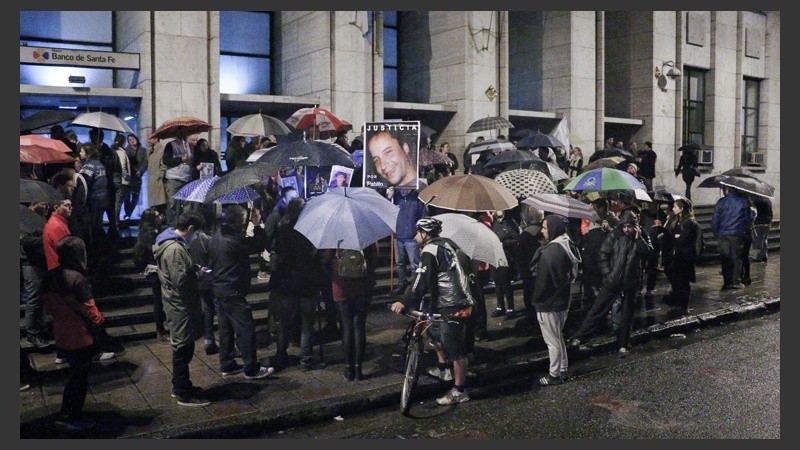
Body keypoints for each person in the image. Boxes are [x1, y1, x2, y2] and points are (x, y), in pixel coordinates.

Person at [390, 217, 475, 405]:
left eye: (418, 232)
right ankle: (443, 369)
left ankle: (459, 390)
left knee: (455, 350)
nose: (415, 236)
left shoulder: (430, 250)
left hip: (452, 304)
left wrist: (404, 301)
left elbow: (421, 281)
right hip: (449, 300)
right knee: (433, 331)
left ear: (425, 233)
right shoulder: (446, 244)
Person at [41, 236, 110, 433]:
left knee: (75, 374)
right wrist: (99, 323)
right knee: (79, 378)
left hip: (62, 331)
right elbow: (89, 308)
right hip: (80, 334)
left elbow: (47, 306)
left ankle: (69, 414)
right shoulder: (77, 278)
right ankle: (70, 416)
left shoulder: (50, 276)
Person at [569, 211, 652, 357]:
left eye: (630, 226)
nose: (627, 230)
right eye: (624, 226)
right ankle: (579, 337)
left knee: (626, 314)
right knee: (598, 309)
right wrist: (608, 274)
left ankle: (623, 344)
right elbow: (603, 255)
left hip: (630, 282)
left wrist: (639, 239)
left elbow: (648, 253)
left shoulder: (642, 236)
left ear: (635, 226)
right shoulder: (614, 235)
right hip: (612, 281)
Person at [208, 205, 275, 379]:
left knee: (225, 329)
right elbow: (258, 244)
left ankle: (227, 364)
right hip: (232, 290)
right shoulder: (233, 241)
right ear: (238, 220)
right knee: (245, 329)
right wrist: (257, 224)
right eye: (244, 218)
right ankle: (251, 368)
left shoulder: (218, 235)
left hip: (220, 288)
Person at [152, 211, 211, 406]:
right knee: (183, 348)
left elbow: (179, 272)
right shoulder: (175, 249)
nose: (196, 237)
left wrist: (193, 268)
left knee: (184, 346)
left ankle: (181, 384)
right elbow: (181, 281)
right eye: (196, 233)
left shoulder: (171, 243)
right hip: (180, 305)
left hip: (178, 303)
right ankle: (182, 392)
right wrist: (197, 276)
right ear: (191, 228)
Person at [267, 198, 327, 371]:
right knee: (307, 323)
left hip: (287, 283)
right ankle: (306, 359)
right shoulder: (311, 231)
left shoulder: (283, 231)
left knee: (285, 322)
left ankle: (281, 354)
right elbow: (316, 257)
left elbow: (277, 255)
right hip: (307, 283)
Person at [530, 214, 581, 386]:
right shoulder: (567, 245)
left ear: (553, 229)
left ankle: (554, 375)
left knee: (552, 341)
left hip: (548, 303)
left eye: (545, 227)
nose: (542, 231)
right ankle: (563, 368)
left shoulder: (549, 252)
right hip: (563, 300)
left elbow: (542, 282)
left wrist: (536, 300)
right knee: (558, 336)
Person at [323, 243, 378, 381]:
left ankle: (349, 369)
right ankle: (358, 369)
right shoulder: (366, 237)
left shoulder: (337, 236)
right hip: (363, 285)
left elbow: (327, 258)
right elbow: (374, 259)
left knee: (346, 326)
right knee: (359, 326)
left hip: (341, 285)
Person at [132, 208, 170, 342]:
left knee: (159, 300)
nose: (160, 217)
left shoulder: (147, 231)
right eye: (157, 216)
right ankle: (160, 330)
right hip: (154, 271)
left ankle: (162, 328)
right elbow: (152, 250)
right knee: (158, 300)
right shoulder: (149, 233)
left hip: (154, 269)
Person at [21, 201, 51, 349]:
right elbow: (24, 240)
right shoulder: (25, 218)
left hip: (41, 261)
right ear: (35, 203)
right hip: (31, 263)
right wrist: (46, 239)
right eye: (44, 204)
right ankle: (32, 334)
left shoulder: (40, 218)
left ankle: (40, 328)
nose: (47, 207)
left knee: (40, 298)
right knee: (34, 299)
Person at [711, 186, 753, 290]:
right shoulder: (743, 202)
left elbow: (715, 219)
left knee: (725, 259)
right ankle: (735, 282)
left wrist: (717, 233)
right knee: (736, 258)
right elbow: (749, 219)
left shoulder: (721, 202)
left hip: (723, 234)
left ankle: (727, 282)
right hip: (737, 234)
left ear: (727, 190)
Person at [663, 198, 699, 317]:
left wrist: (677, 237)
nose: (673, 209)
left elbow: (684, 239)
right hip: (677, 256)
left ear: (682, 209)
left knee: (683, 282)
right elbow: (673, 236)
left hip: (685, 257)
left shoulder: (689, 223)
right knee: (677, 280)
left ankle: (683, 306)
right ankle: (678, 304)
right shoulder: (677, 220)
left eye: (675, 207)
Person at [389, 187, 427, 295]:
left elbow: (424, 216)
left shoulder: (417, 199)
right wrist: (389, 197)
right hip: (398, 236)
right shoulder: (395, 197)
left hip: (412, 237)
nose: (403, 190)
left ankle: (415, 287)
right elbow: (386, 210)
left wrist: (419, 232)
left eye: (406, 187)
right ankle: (402, 284)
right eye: (402, 187)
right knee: (399, 263)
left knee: (414, 264)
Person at [489, 210, 520, 319]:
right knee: (497, 282)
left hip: (505, 257)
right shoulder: (493, 223)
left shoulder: (510, 223)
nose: (498, 211)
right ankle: (500, 307)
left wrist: (504, 243)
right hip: (494, 256)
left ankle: (510, 308)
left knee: (505, 283)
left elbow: (517, 239)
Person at [162, 128, 195, 226]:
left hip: (187, 178)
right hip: (174, 178)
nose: (184, 134)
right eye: (182, 132)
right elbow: (166, 160)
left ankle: (185, 226)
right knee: (173, 205)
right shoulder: (171, 145)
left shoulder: (190, 146)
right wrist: (180, 159)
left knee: (187, 205)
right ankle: (172, 226)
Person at [43, 199, 73, 270]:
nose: (71, 208)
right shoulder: (57, 226)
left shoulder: (58, 221)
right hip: (59, 267)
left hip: (56, 265)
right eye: (66, 205)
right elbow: (63, 251)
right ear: (56, 208)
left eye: (71, 205)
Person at [123, 133, 148, 221]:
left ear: (136, 139)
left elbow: (145, 162)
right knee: (127, 197)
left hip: (138, 177)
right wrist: (134, 170)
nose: (132, 141)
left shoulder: (143, 150)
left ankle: (129, 213)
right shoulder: (126, 150)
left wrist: (140, 171)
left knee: (135, 197)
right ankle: (127, 214)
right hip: (129, 176)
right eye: (129, 140)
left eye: (133, 138)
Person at [111, 134, 132, 229]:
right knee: (118, 203)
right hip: (122, 182)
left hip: (116, 181)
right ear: (123, 142)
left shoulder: (113, 151)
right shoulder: (121, 153)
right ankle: (116, 223)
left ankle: (115, 222)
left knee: (117, 202)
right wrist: (127, 177)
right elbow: (123, 167)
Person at [146, 135, 168, 216]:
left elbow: (163, 166)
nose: (148, 140)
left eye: (150, 139)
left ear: (156, 139)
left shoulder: (161, 151)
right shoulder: (151, 151)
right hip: (152, 181)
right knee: (154, 205)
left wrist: (159, 176)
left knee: (160, 204)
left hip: (158, 182)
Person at [751, 195, 773, 262]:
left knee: (757, 240)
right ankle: (764, 256)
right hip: (767, 222)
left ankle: (757, 257)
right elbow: (771, 212)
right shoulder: (768, 200)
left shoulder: (757, 200)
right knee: (764, 239)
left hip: (759, 223)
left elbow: (754, 211)